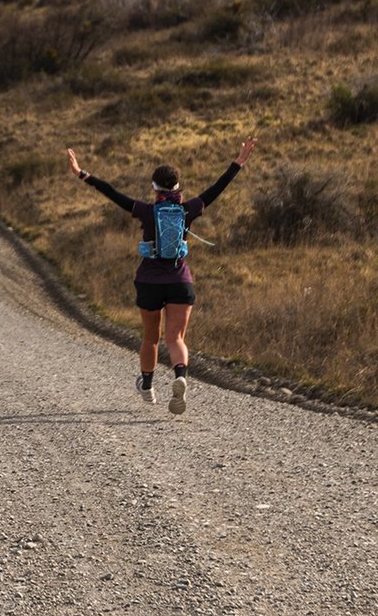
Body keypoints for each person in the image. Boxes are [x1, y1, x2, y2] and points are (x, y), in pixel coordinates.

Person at [66, 138, 257, 414]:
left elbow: (111, 192)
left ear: (154, 188)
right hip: (181, 281)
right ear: (178, 187)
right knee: (176, 338)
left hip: (149, 282)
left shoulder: (146, 210)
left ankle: (147, 386)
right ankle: (180, 376)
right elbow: (216, 189)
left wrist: (82, 173)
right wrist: (238, 162)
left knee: (150, 338)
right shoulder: (188, 209)